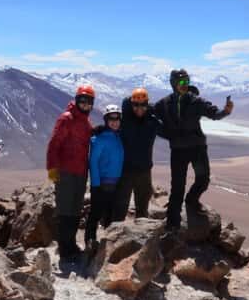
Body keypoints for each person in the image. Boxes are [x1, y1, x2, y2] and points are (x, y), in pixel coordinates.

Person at [153, 69, 233, 231]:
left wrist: (225, 111)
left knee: (203, 180)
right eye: (182, 82)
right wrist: (164, 133)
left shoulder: (196, 101)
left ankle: (191, 201)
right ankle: (172, 224)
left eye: (187, 81)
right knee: (177, 187)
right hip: (178, 150)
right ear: (174, 83)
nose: (185, 85)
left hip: (197, 148)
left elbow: (213, 113)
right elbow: (149, 113)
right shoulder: (164, 104)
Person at [46, 84, 95, 262]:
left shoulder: (85, 121)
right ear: (77, 100)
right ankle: (64, 248)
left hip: (81, 172)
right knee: (65, 209)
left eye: (89, 102)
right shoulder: (67, 118)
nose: (85, 104)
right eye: (82, 101)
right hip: (66, 171)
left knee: (75, 209)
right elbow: (54, 144)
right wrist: (52, 168)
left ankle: (71, 244)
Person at [115, 88, 163, 221]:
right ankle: (113, 238)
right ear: (131, 105)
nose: (139, 108)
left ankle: (141, 237)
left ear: (147, 104)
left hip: (144, 171)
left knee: (142, 209)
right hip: (125, 171)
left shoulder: (152, 122)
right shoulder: (123, 121)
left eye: (143, 105)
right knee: (120, 208)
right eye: (136, 105)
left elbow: (168, 132)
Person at [85, 104, 124, 250]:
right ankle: (90, 241)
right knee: (95, 213)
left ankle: (107, 244)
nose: (114, 121)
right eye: (111, 119)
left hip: (115, 183)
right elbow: (93, 161)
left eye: (117, 119)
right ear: (106, 120)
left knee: (109, 213)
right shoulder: (99, 139)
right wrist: (95, 184)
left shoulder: (118, 136)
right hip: (101, 184)